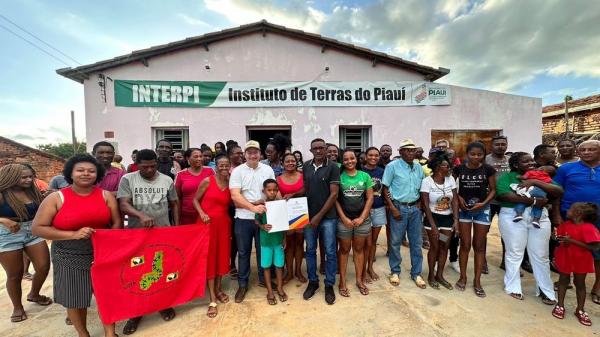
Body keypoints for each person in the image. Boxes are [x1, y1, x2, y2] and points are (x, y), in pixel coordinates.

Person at [32, 154, 121, 337]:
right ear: (70, 173)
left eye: (91, 171)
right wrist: (72, 234)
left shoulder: (105, 196)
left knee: (106, 295)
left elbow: (116, 223)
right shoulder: (56, 198)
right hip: (68, 254)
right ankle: (83, 333)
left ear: (98, 174)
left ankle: (110, 333)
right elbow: (38, 228)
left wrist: (109, 240)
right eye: (80, 170)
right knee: (75, 299)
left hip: (100, 253)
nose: (86, 174)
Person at [117, 149, 180, 335]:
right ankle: (137, 312)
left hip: (162, 233)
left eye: (153, 166)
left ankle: (163, 305)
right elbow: (123, 204)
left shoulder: (167, 180)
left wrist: (176, 227)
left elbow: (174, 203)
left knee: (160, 269)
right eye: (145, 167)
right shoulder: (128, 179)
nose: (150, 170)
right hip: (137, 234)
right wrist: (140, 215)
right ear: (137, 164)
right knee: (137, 272)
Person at [496, 152, 562, 304]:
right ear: (515, 165)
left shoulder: (540, 175)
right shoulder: (507, 177)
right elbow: (504, 195)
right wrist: (534, 201)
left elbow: (558, 191)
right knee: (514, 252)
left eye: (532, 160)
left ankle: (546, 290)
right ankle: (513, 286)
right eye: (526, 162)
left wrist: (535, 181)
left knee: (541, 255)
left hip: (540, 217)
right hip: (513, 216)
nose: (531, 163)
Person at [0, 164, 52, 323]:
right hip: (8, 234)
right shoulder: (2, 194)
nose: (29, 179)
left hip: (33, 230)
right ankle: (17, 307)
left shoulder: (32, 190)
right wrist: (3, 219)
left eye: (31, 176)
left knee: (43, 266)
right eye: (24, 177)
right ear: (11, 177)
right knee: (15, 274)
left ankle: (34, 294)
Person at [552, 140, 600, 305]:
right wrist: (557, 214)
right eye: (583, 149)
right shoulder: (566, 169)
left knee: (597, 251)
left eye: (592, 149)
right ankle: (565, 279)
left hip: (597, 218)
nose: (587, 152)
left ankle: (597, 287)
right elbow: (557, 192)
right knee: (567, 248)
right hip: (570, 216)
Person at [229, 140, 275, 303]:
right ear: (245, 154)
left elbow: (272, 191)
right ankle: (243, 284)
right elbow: (235, 195)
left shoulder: (268, 169)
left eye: (255, 152)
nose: (253, 155)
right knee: (243, 252)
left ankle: (264, 279)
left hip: (264, 217)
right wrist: (253, 207)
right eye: (249, 152)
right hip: (243, 218)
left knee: (263, 250)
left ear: (260, 154)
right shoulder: (237, 171)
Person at [452, 141, 496, 297]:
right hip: (464, 211)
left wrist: (483, 203)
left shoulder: (488, 169)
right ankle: (463, 277)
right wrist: (459, 198)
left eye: (479, 154)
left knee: (479, 245)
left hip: (482, 210)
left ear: (484, 155)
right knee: (465, 245)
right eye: (473, 154)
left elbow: (493, 190)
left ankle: (477, 281)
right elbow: (452, 187)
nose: (476, 157)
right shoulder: (459, 169)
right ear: (467, 154)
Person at [383, 139, 426, 289]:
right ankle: (395, 271)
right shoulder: (392, 166)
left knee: (416, 243)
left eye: (412, 150)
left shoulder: (418, 167)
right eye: (406, 150)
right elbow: (385, 188)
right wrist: (392, 208)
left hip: (415, 209)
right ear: (400, 152)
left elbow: (422, 186)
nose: (410, 153)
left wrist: (420, 203)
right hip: (398, 208)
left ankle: (417, 273)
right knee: (395, 242)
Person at [193, 154, 232, 318]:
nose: (223, 168)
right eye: (220, 165)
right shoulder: (208, 181)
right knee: (210, 260)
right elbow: (195, 200)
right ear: (215, 166)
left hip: (223, 225)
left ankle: (218, 288)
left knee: (222, 258)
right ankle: (212, 299)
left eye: (226, 165)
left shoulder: (231, 183)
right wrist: (202, 213)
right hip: (207, 224)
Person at [302, 138, 340, 305]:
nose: (318, 151)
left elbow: (334, 194)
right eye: (315, 148)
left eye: (321, 148)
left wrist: (319, 216)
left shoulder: (332, 167)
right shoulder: (306, 166)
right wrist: (293, 195)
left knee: (330, 252)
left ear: (326, 149)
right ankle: (313, 282)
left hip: (328, 218)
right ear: (311, 151)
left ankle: (329, 284)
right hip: (308, 217)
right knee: (310, 250)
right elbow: (306, 188)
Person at [552, 202, 600, 326]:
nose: (568, 210)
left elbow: (595, 247)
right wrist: (556, 238)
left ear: (578, 214)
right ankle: (560, 305)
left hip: (581, 259)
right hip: (566, 256)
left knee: (580, 284)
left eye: (571, 209)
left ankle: (580, 309)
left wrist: (571, 241)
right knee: (563, 280)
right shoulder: (566, 224)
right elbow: (560, 238)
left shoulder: (589, 228)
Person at [336, 149, 374, 297]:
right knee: (344, 250)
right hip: (343, 220)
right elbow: (336, 200)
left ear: (356, 159)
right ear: (342, 161)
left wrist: (362, 218)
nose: (349, 161)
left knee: (359, 250)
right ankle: (342, 282)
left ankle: (359, 280)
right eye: (345, 159)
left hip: (362, 220)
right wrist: (344, 218)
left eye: (352, 158)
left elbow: (369, 198)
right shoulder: (339, 177)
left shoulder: (365, 176)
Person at [420, 155, 459, 290]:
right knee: (435, 247)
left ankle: (440, 275)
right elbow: (425, 204)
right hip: (433, 219)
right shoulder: (427, 181)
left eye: (449, 166)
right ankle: (431, 275)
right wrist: (433, 226)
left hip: (447, 219)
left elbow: (454, 200)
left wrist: (456, 220)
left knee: (444, 246)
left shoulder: (451, 180)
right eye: (446, 166)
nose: (449, 168)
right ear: (437, 167)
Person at [255, 179, 288, 305]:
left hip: (278, 241)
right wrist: (262, 226)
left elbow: (284, 222)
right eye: (269, 190)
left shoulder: (280, 205)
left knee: (279, 265)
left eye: (275, 190)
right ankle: (269, 291)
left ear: (277, 191)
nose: (272, 192)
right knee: (267, 266)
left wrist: (284, 238)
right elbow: (256, 220)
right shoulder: (262, 206)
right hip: (266, 242)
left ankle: (279, 287)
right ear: (264, 191)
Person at [485, 135, 513, 272]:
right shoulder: (485, 160)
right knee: (483, 231)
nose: (500, 146)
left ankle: (505, 261)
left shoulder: (511, 160)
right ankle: (482, 260)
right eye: (497, 144)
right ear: (492, 146)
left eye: (503, 144)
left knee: (508, 233)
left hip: (508, 202)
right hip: (489, 201)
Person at [277, 153, 306, 284]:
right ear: (282, 163)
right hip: (285, 215)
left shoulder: (303, 175)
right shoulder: (278, 178)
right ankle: (289, 273)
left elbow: (307, 189)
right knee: (289, 245)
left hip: (300, 214)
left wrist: (293, 194)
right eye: (287, 161)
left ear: (296, 162)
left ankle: (298, 271)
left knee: (299, 243)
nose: (290, 163)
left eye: (293, 161)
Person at [362, 147, 386, 283]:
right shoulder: (360, 171)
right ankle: (363, 269)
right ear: (365, 156)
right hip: (364, 210)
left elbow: (386, 189)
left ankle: (370, 267)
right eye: (370, 155)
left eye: (376, 155)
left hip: (379, 209)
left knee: (373, 242)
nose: (373, 157)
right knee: (366, 242)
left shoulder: (382, 171)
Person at [175, 148, 214, 224]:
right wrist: (177, 220)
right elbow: (178, 198)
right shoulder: (180, 174)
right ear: (187, 158)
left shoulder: (210, 171)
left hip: (207, 215)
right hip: (187, 216)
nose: (199, 159)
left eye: (200, 156)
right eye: (196, 157)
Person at [227, 144, 244, 278]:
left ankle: (235, 263)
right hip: (229, 207)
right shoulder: (226, 170)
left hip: (242, 207)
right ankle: (231, 264)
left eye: (241, 153)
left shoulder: (244, 168)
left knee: (238, 239)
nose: (240, 155)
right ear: (230, 155)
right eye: (236, 153)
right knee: (231, 238)